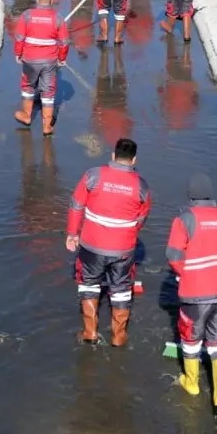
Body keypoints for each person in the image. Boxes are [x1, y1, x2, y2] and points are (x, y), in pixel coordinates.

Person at [66, 137, 151, 346]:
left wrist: (72, 234)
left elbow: (76, 205)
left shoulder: (93, 175)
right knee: (121, 289)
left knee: (89, 283)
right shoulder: (141, 186)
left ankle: (90, 332)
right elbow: (140, 220)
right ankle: (119, 336)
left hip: (92, 245)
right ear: (134, 160)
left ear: (113, 156)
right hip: (123, 249)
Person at [166, 172, 217, 424]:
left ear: (190, 195)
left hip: (196, 293)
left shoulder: (184, 219)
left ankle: (192, 383)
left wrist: (187, 274)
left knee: (191, 337)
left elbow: (173, 256)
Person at [13, 0, 70, 135]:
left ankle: (26, 115)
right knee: (48, 91)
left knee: (28, 86)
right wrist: (62, 59)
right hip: (49, 60)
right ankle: (46, 126)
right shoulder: (57, 18)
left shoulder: (27, 15)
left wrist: (18, 54)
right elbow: (64, 42)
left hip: (30, 59)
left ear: (38, 0)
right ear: (51, 1)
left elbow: (19, 37)